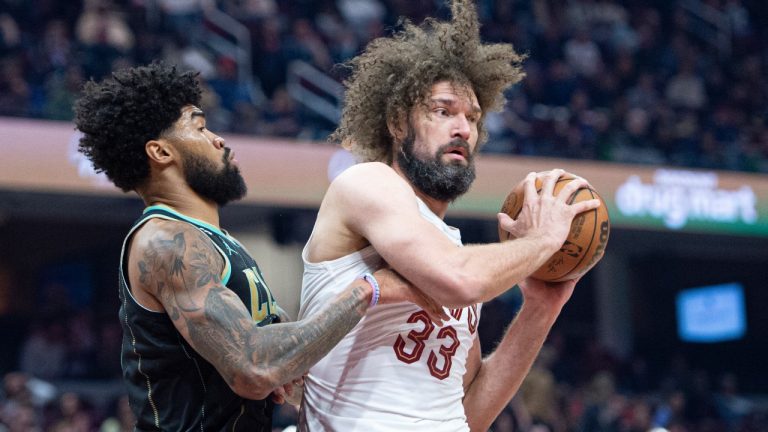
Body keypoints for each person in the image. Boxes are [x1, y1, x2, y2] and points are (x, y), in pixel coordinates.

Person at [73, 62, 445, 431]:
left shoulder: (222, 244)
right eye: (200, 128)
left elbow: (282, 358)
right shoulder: (165, 242)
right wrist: (369, 289)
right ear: (161, 152)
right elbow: (253, 367)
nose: (218, 139)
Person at [297, 0, 601, 430]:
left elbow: (468, 412)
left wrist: (541, 308)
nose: (463, 129)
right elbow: (460, 279)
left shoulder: (449, 247)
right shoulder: (366, 183)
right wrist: (542, 241)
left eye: (472, 118)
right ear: (398, 123)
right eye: (443, 111)